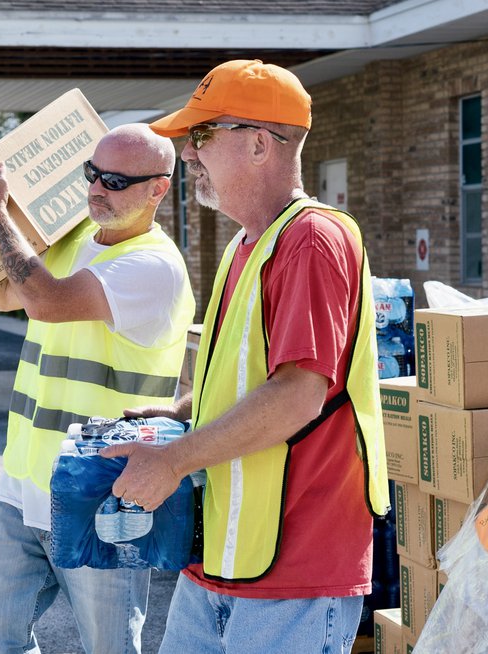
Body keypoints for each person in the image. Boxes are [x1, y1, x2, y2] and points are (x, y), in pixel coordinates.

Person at [101, 60, 390, 654]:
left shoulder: (311, 239)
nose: (187, 155)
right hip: (227, 557)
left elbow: (297, 393)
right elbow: (245, 377)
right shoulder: (246, 243)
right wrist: (178, 414)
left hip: (294, 569)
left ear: (260, 143)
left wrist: (173, 460)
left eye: (202, 137)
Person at [0, 123, 195, 654]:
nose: (97, 188)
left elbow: (44, 300)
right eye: (92, 174)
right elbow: (6, 294)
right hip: (23, 482)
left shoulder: (153, 267)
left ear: (158, 189)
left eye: (115, 181)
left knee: (109, 645)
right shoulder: (75, 239)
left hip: (101, 493)